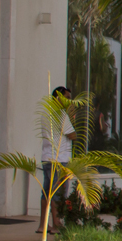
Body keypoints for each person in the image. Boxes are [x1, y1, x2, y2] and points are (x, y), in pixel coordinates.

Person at [38, 86, 77, 220]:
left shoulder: (46, 113)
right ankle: (56, 223)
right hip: (59, 160)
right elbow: (72, 135)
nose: (69, 102)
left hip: (48, 157)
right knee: (57, 194)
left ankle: (43, 225)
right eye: (66, 98)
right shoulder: (60, 114)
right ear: (58, 97)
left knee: (46, 193)